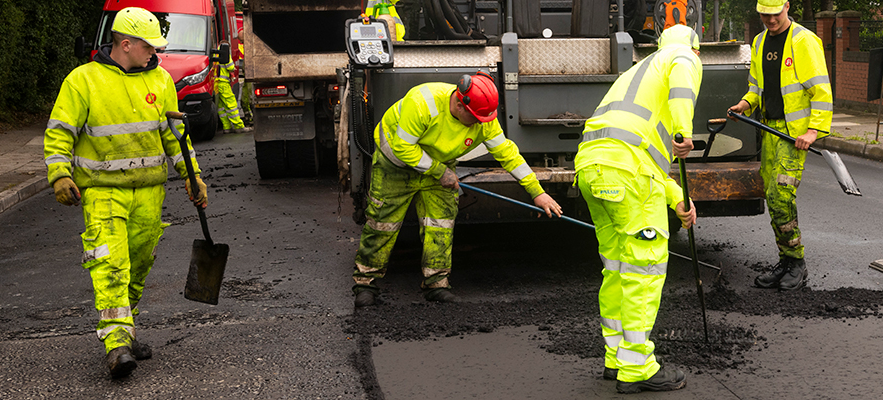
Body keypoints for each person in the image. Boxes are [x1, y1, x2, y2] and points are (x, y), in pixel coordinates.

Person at [43, 6, 207, 379]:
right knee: (110, 263)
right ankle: (116, 344)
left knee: (137, 264)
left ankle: (126, 330)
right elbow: (60, 132)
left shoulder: (161, 81)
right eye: (150, 46)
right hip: (102, 193)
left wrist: (192, 175)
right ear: (127, 44)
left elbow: (174, 136)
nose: (156, 53)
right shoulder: (82, 81)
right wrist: (59, 174)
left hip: (149, 194)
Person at [352, 72, 562, 306]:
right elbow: (402, 147)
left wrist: (537, 192)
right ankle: (365, 284)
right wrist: (440, 172)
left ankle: (436, 284)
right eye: (476, 118)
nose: (482, 124)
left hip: (438, 167)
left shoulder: (484, 118)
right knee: (383, 222)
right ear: (460, 104)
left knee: (440, 224)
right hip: (396, 164)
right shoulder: (422, 103)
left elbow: (507, 154)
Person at [575, 24, 701, 394]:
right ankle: (638, 367)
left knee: (617, 268)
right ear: (695, 49)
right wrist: (683, 130)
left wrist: (677, 196)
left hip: (594, 169)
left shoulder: (639, 72)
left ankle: (616, 358)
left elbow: (641, 158)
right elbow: (682, 78)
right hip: (628, 173)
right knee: (644, 271)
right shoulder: (680, 57)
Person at [727, 0, 832, 291]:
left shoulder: (804, 41)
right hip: (770, 132)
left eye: (774, 14)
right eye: (764, 14)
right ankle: (785, 261)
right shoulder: (760, 41)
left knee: (781, 196)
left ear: (786, 7)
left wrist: (813, 130)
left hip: (793, 135)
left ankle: (797, 263)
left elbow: (821, 90)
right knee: (772, 198)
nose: (769, 20)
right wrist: (745, 105)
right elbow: (756, 87)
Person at [213, 47, 246, 133]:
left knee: (221, 107)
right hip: (223, 83)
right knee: (231, 105)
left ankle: (226, 127)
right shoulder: (224, 53)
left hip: (216, 84)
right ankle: (239, 126)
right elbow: (231, 67)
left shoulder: (215, 54)